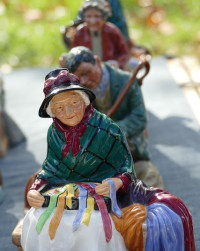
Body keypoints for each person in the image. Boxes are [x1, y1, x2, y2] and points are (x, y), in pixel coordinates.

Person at [17, 68, 196, 251]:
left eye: (73, 103)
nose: (68, 112)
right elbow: (50, 169)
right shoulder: (54, 133)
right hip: (69, 196)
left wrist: (115, 181)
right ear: (52, 112)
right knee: (40, 221)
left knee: (94, 226)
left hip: (109, 197)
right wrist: (35, 190)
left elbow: (126, 169)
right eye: (60, 108)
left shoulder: (108, 128)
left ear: (84, 100)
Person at [59, 46, 163, 188]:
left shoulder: (126, 81)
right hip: (97, 159)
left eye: (87, 72)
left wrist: (112, 132)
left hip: (131, 152)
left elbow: (140, 118)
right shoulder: (79, 93)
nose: (85, 80)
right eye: (79, 78)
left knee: (149, 176)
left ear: (97, 61)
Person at [71, 0, 129, 70]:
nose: (93, 21)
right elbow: (74, 54)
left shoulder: (112, 32)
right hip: (88, 71)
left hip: (109, 70)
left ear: (104, 17)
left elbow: (124, 54)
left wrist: (117, 63)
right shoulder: (80, 33)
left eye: (97, 16)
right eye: (88, 16)